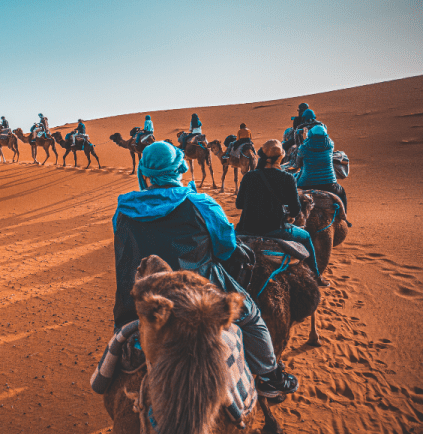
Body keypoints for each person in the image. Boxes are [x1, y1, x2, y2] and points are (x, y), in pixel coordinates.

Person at [112, 141, 299, 398]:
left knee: (125, 332)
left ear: (144, 172)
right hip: (199, 298)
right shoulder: (202, 204)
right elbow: (225, 249)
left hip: (136, 303)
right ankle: (270, 376)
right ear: (181, 168)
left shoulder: (123, 211)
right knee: (252, 317)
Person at [236, 140, 329, 286]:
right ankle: (316, 276)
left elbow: (239, 204)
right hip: (275, 230)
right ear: (280, 158)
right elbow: (296, 210)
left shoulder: (249, 177)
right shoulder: (287, 179)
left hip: (246, 228)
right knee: (305, 237)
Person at [295, 124, 348, 211]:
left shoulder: (303, 147)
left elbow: (298, 164)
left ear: (310, 134)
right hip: (329, 183)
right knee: (342, 192)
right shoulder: (330, 145)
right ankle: (344, 216)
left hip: (306, 183)